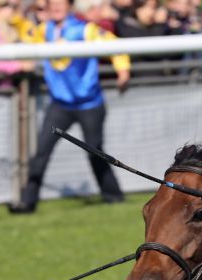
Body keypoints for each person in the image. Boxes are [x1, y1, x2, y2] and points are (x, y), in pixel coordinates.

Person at [8, 0, 130, 214]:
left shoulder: (85, 29)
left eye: (60, 3)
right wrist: (21, 11)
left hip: (89, 103)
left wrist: (123, 71)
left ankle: (113, 196)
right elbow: (22, 31)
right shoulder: (42, 30)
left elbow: (114, 44)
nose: (55, 6)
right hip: (60, 104)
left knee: (95, 151)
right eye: (51, 3)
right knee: (41, 153)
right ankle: (27, 203)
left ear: (69, 7)